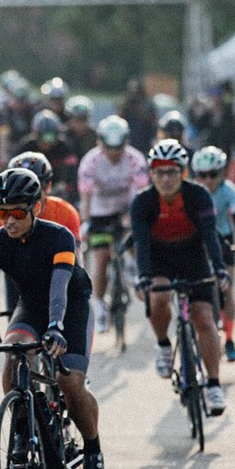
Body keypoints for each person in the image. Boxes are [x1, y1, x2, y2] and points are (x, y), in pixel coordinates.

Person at [0, 167, 103, 469]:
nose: (9, 220)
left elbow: (59, 289)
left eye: (17, 211)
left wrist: (57, 326)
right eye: (2, 211)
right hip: (31, 306)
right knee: (14, 353)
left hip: (70, 305)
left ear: (36, 206)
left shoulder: (58, 236)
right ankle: (22, 427)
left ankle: (92, 449)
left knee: (70, 382)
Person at [131, 140, 230, 414]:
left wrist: (220, 269)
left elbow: (210, 236)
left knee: (204, 318)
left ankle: (213, 384)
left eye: (172, 172)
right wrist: (142, 276)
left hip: (193, 259)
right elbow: (140, 243)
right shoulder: (142, 202)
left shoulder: (198, 196)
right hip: (159, 259)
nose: (165, 178)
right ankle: (163, 344)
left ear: (183, 172)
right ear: (151, 174)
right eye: (159, 172)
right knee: (158, 296)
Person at [77, 116, 146, 334]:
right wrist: (86, 223)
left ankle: (136, 273)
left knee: (133, 241)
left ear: (126, 142)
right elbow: (86, 198)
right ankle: (99, 306)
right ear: (100, 143)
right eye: (109, 148)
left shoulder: (136, 159)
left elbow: (141, 195)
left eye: (119, 148)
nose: (114, 153)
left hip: (126, 209)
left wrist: (134, 219)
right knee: (101, 258)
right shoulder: (90, 162)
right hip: (99, 211)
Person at [190, 145, 235, 362]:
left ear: (221, 173)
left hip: (223, 240)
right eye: (202, 175)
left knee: (228, 289)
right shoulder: (192, 192)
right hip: (198, 242)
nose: (208, 180)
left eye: (213, 175)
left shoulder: (230, 190)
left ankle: (230, 339)